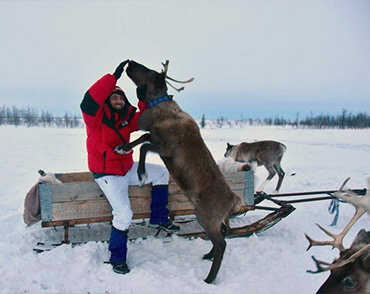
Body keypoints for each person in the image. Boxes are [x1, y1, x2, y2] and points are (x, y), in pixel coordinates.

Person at [80, 60, 180, 275]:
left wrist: (143, 98)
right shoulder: (94, 119)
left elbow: (143, 119)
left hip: (127, 168)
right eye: (113, 97)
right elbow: (88, 101)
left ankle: (158, 217)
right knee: (124, 214)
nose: (117, 100)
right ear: (107, 101)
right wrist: (112, 78)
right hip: (108, 174)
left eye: (120, 97)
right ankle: (117, 257)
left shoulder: (127, 119)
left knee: (161, 173)